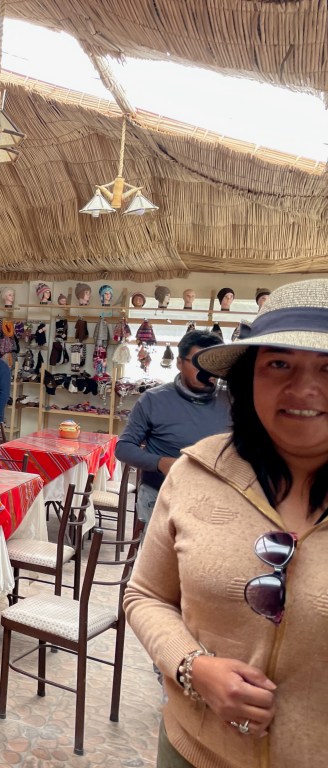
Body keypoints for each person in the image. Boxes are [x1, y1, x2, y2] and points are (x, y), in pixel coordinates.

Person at [124, 279, 328, 767]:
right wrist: (191, 666)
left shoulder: (217, 408)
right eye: (278, 363)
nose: (304, 388)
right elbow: (146, 593)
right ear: (248, 377)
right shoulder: (195, 466)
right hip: (192, 750)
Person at [115, 330, 230, 523]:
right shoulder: (153, 400)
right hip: (161, 498)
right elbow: (124, 448)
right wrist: (161, 463)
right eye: (198, 362)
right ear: (179, 362)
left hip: (217, 502)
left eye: (213, 363)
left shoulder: (233, 401)